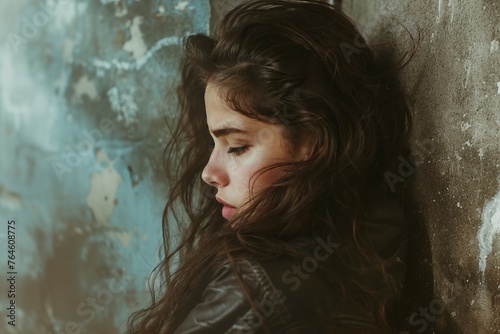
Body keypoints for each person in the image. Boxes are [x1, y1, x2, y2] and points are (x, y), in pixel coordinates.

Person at [127, 0, 416, 333]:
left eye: (236, 147)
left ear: (315, 142)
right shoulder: (376, 233)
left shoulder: (256, 289)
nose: (209, 174)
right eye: (213, 144)